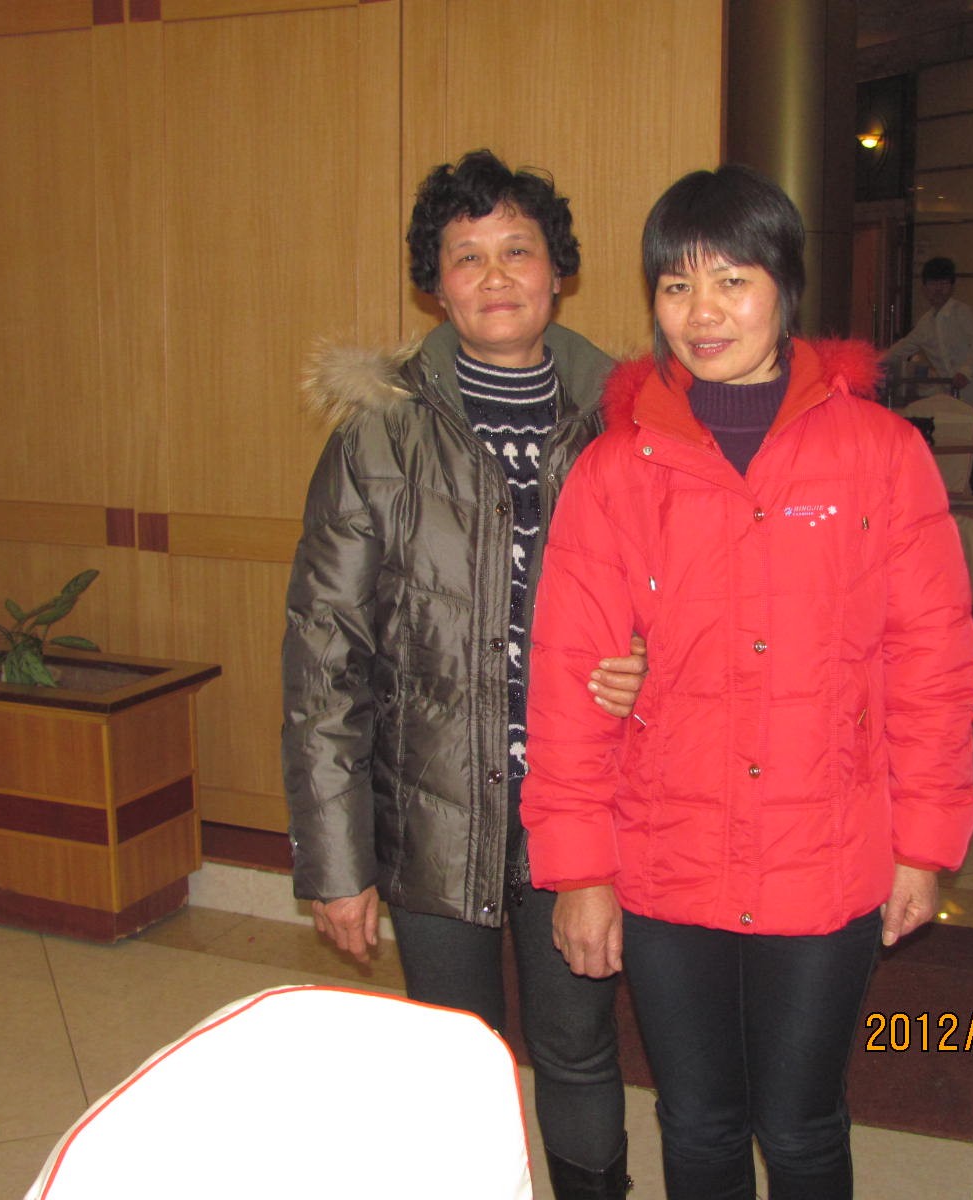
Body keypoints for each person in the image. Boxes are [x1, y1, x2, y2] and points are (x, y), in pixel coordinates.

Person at [522, 164, 973, 1199]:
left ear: (785, 286)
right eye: (676, 285)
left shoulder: (880, 454)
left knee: (804, 1123)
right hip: (666, 855)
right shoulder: (616, 469)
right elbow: (568, 683)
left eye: (732, 280)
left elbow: (932, 664)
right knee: (695, 1122)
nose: (703, 312)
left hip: (826, 852)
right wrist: (581, 869)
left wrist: (923, 843)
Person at [282, 150, 644, 1198]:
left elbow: (699, 604)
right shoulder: (381, 437)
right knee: (452, 1058)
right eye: (466, 256)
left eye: (517, 250)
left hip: (585, 811)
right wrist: (335, 860)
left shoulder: (631, 425)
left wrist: (654, 665)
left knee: (579, 1047)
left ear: (559, 271)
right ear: (434, 286)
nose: (494, 276)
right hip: (433, 808)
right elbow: (325, 656)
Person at [883, 256, 973, 492]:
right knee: (961, 455)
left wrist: (964, 372)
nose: (938, 289)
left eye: (944, 283)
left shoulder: (963, 313)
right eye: (933, 283)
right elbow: (904, 348)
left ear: (952, 286)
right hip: (954, 400)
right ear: (924, 287)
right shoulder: (926, 322)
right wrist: (870, 363)